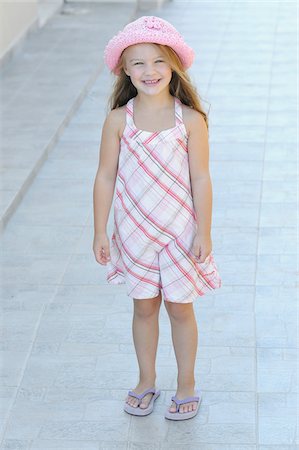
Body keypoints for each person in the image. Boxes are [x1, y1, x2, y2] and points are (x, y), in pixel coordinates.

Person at [92, 15, 222, 421]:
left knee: (181, 309)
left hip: (180, 232)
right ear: (124, 70)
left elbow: (200, 178)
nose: (149, 71)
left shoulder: (190, 120)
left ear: (174, 65)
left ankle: (187, 385)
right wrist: (100, 230)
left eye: (158, 61)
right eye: (138, 63)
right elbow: (105, 176)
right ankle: (146, 380)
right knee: (144, 308)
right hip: (134, 232)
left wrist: (204, 230)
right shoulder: (119, 120)